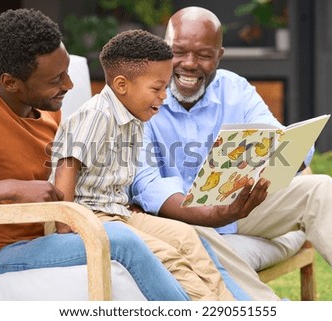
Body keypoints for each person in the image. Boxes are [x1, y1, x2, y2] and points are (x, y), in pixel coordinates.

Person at [131, 6, 332, 301]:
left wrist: (288, 152)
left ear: (219, 56)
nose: (189, 64)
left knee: (320, 187)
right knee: (194, 239)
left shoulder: (235, 89)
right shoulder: (142, 97)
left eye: (203, 55)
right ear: (163, 49)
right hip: (180, 219)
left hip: (240, 207)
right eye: (178, 51)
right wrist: (207, 213)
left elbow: (277, 136)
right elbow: (146, 182)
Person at [0, 8, 191, 301]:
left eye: (66, 73)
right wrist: (11, 188)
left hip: (54, 231)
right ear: (11, 83)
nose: (69, 86)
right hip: (2, 252)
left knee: (181, 236)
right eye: (55, 80)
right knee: (123, 242)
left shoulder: (47, 108)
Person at [49, 29, 246, 301]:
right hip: (90, 219)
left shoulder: (135, 118)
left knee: (187, 238)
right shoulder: (96, 115)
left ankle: (231, 306)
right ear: (121, 85)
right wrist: (66, 226)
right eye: (157, 88)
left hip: (118, 213)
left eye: (166, 87)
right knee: (169, 256)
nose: (164, 96)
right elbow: (67, 166)